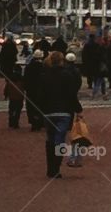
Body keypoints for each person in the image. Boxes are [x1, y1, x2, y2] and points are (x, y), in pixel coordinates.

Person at [40, 50, 82, 178]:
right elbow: (71, 95)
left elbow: (40, 95)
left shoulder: (44, 76)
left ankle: (51, 168)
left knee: (50, 139)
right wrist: (78, 109)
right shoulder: (67, 75)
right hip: (64, 111)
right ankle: (56, 168)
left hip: (48, 111)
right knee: (59, 140)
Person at [24, 49, 45, 131]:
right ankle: (39, 122)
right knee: (40, 107)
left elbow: (25, 79)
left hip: (31, 90)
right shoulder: (43, 67)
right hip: (41, 91)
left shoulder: (29, 67)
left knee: (31, 107)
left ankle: (33, 123)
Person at [4, 64, 25, 128]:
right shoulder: (22, 78)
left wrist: (5, 95)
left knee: (11, 109)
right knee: (18, 110)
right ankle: (16, 123)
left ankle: (11, 122)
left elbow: (6, 88)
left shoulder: (10, 78)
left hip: (12, 96)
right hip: (19, 96)